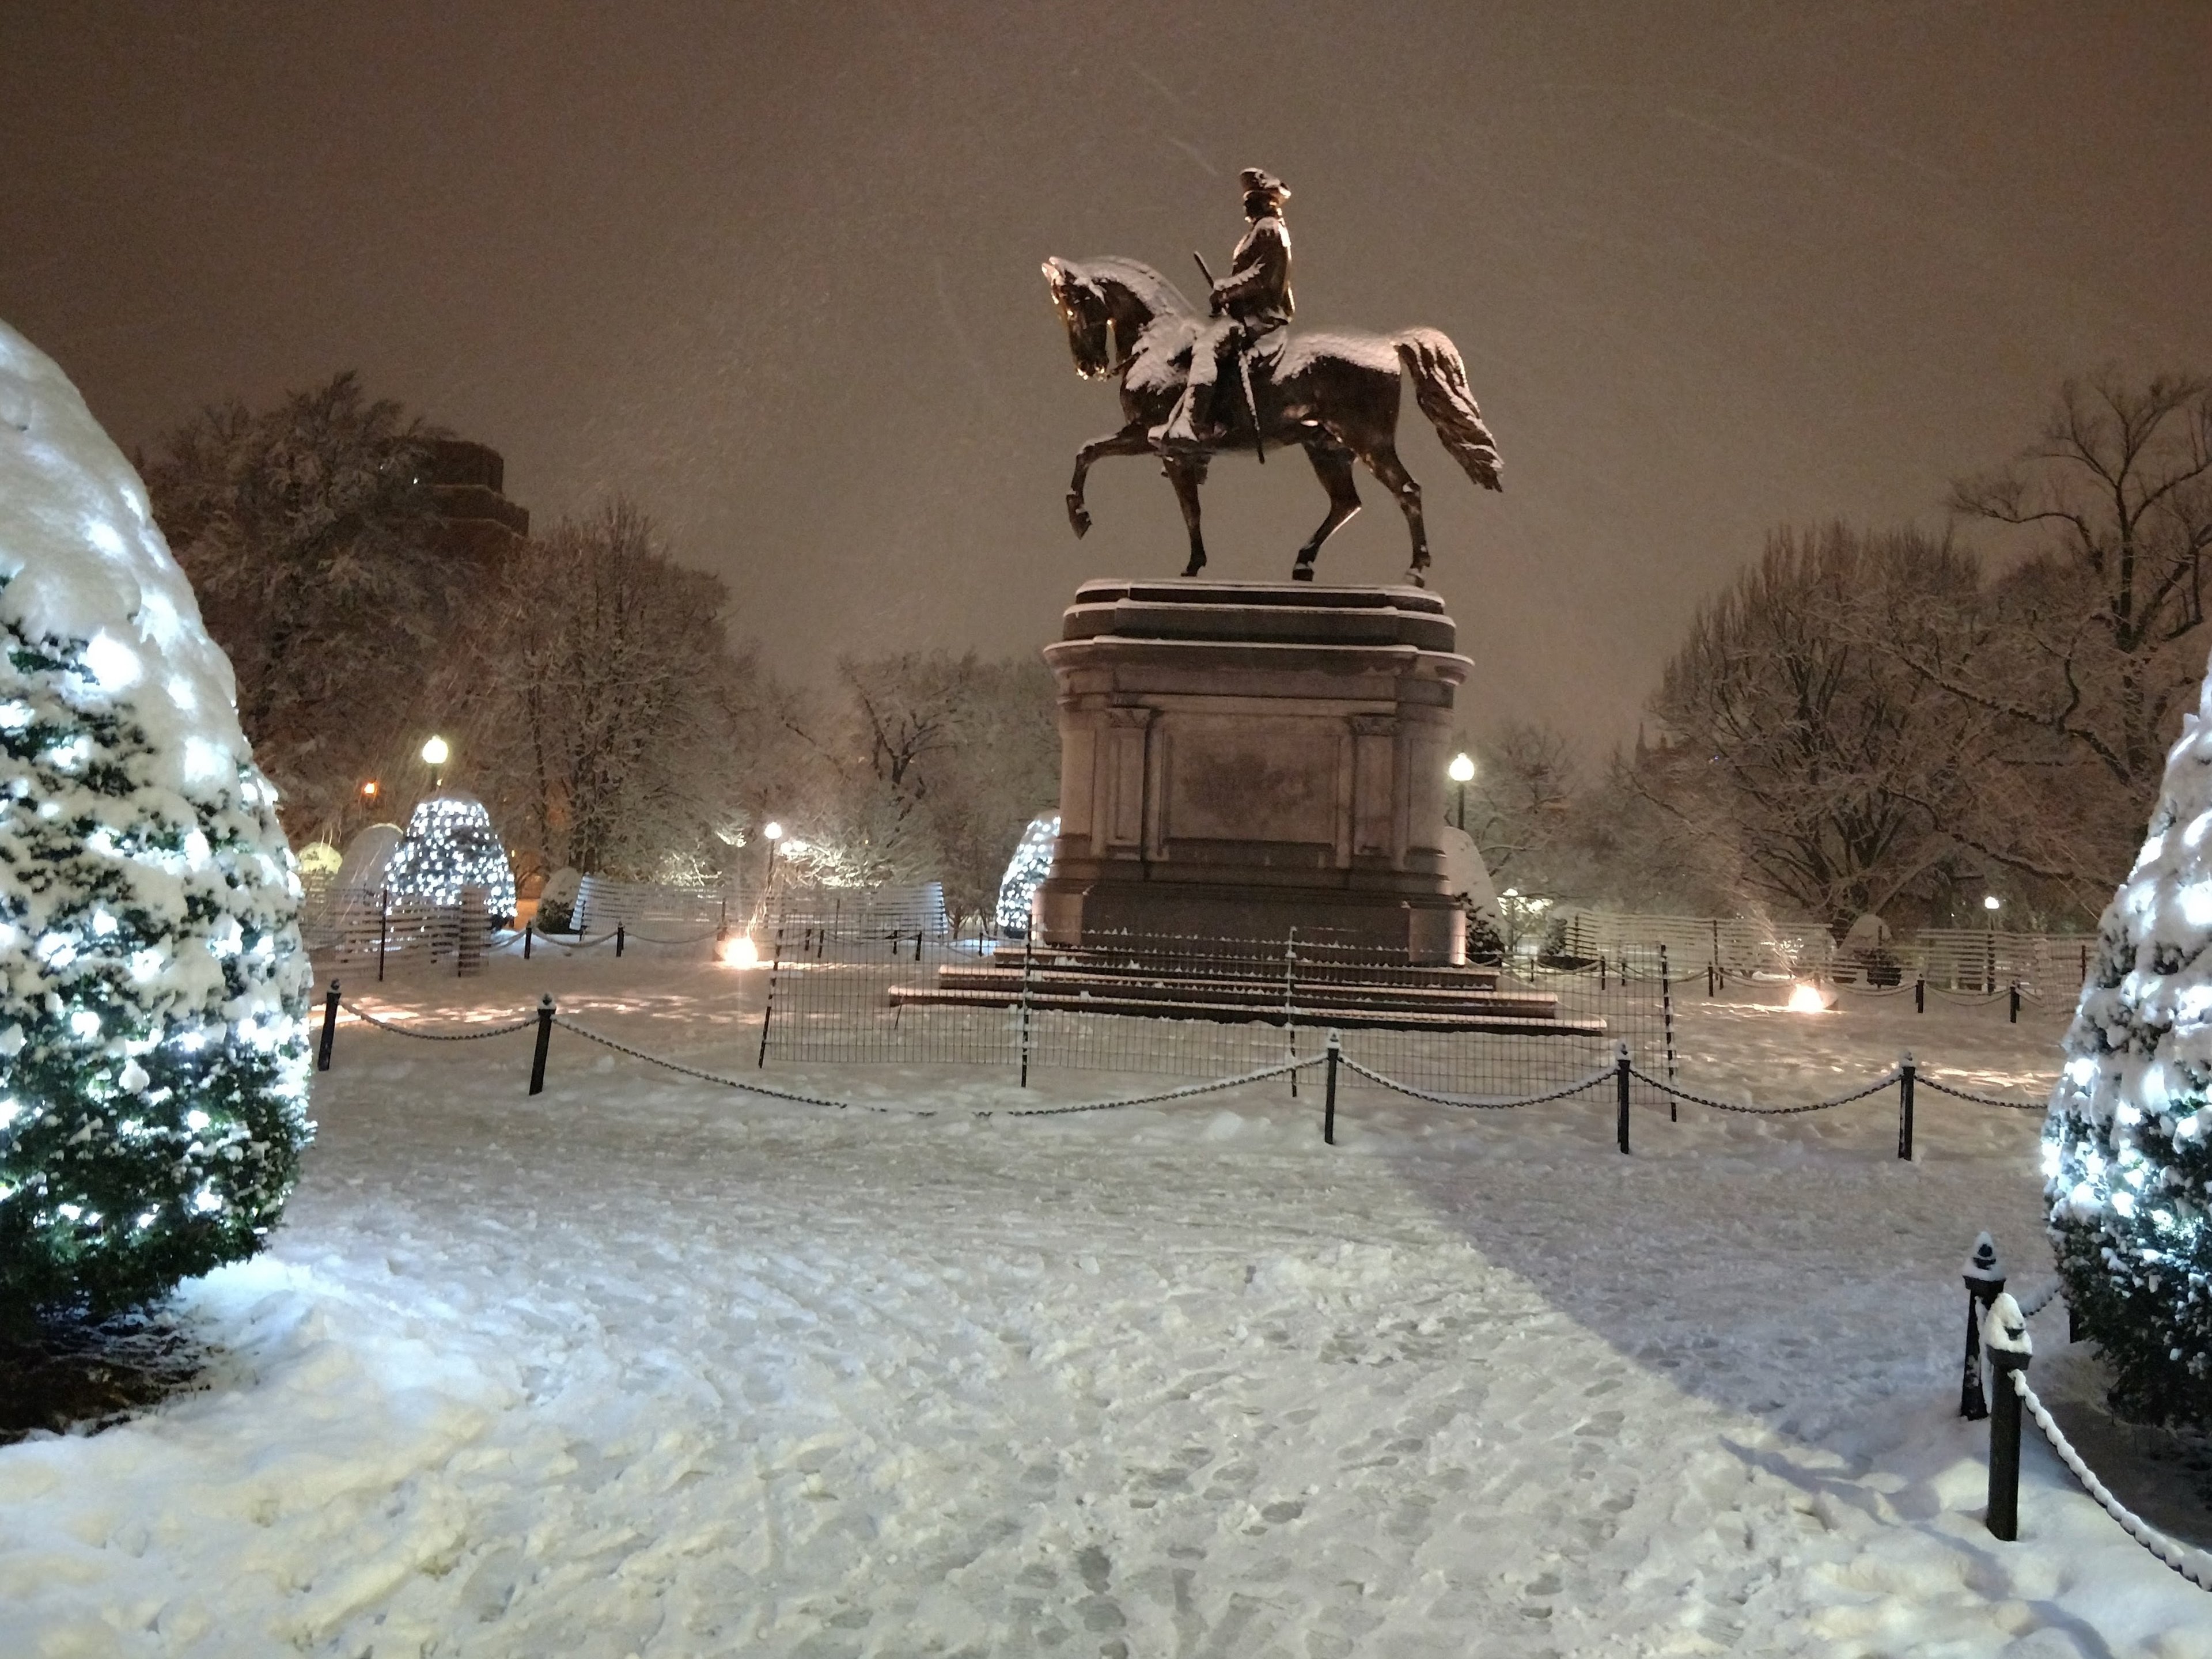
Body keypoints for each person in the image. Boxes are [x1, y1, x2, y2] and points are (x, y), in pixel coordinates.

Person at [1157, 168, 1294, 452]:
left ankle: (1194, 424)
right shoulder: (1258, 231)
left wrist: (1226, 290)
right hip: (1246, 313)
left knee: (1208, 346)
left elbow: (1264, 277)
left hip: (1261, 316)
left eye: (1250, 200)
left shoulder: (1269, 229)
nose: (1245, 207)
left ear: (1263, 201)